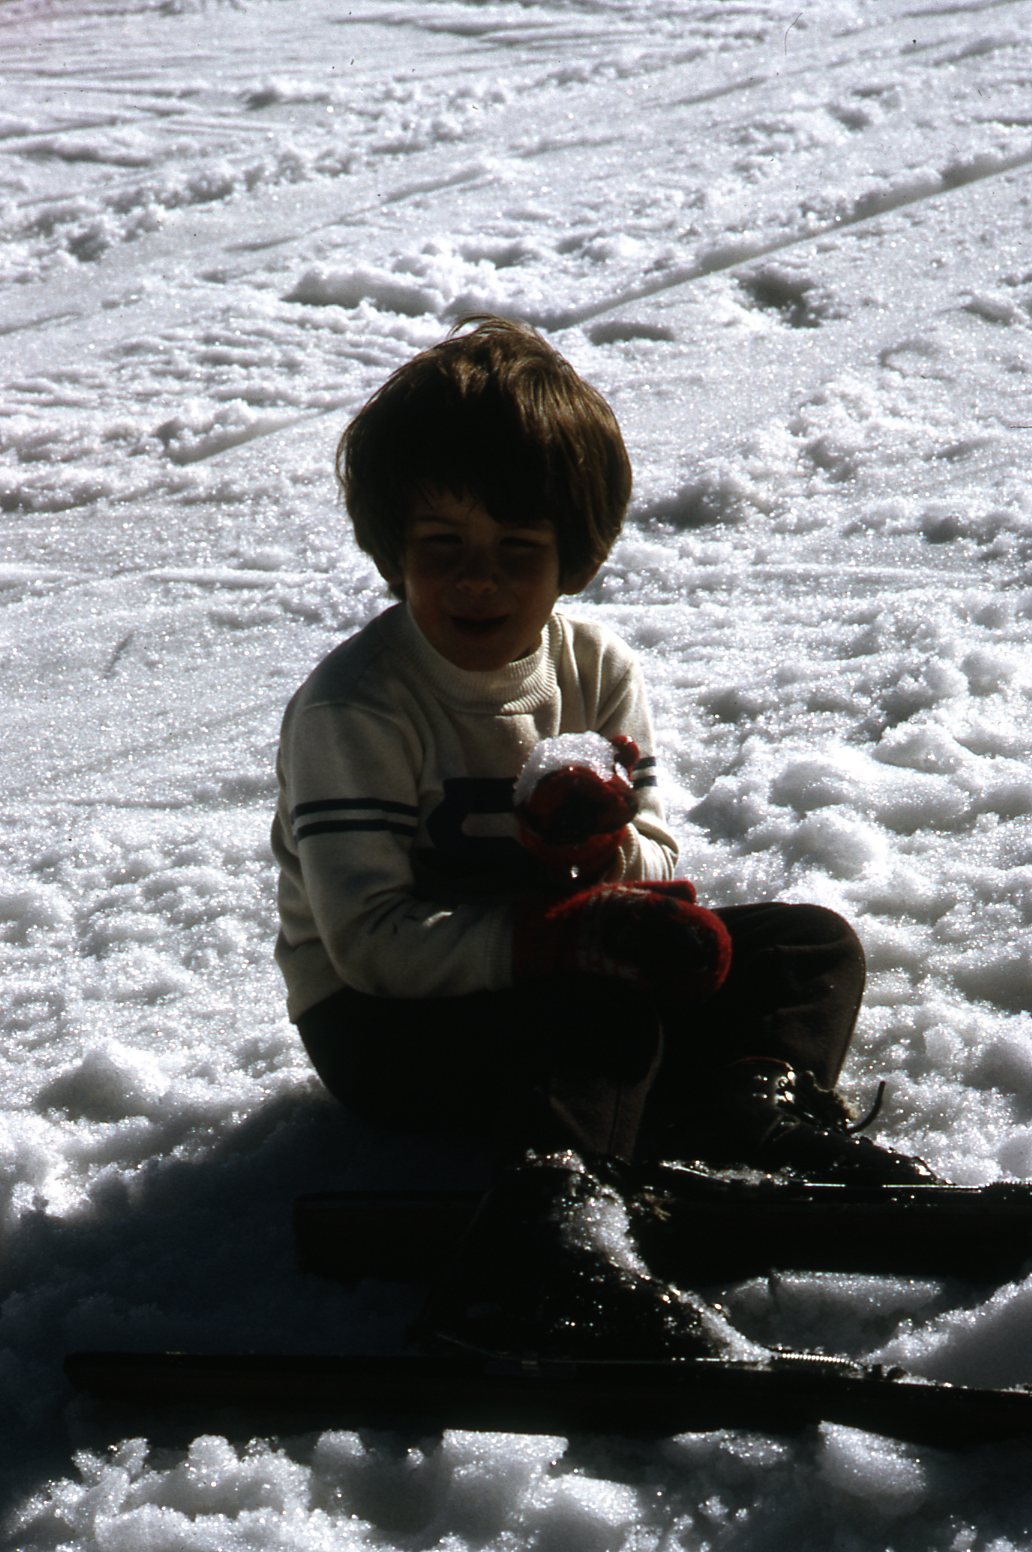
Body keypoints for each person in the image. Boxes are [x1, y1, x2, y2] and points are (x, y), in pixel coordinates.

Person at [272, 316, 935, 1360]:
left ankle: (746, 1113)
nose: (478, 580)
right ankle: (544, 1236)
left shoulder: (597, 670)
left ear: (572, 558)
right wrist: (557, 939)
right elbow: (368, 942)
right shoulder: (358, 707)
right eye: (442, 547)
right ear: (393, 545)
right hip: (384, 1024)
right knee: (598, 1012)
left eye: (517, 550)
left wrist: (605, 858)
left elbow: (660, 853)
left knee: (809, 946)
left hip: (551, 975)